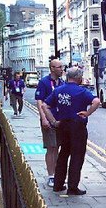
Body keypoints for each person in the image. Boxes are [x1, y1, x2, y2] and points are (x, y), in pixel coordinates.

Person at [43, 66, 100, 195]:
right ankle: (72, 187)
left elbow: (45, 105)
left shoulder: (58, 90)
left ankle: (58, 184)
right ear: (78, 78)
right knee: (77, 156)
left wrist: (53, 121)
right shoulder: (81, 91)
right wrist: (87, 113)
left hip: (63, 125)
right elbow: (96, 101)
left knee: (63, 154)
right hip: (77, 126)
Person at [35, 59, 64, 188]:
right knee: (51, 148)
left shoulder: (62, 82)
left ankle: (57, 174)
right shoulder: (44, 82)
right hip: (49, 119)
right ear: (52, 68)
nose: (62, 69)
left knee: (57, 147)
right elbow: (40, 102)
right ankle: (51, 175)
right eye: (59, 67)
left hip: (60, 120)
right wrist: (43, 119)